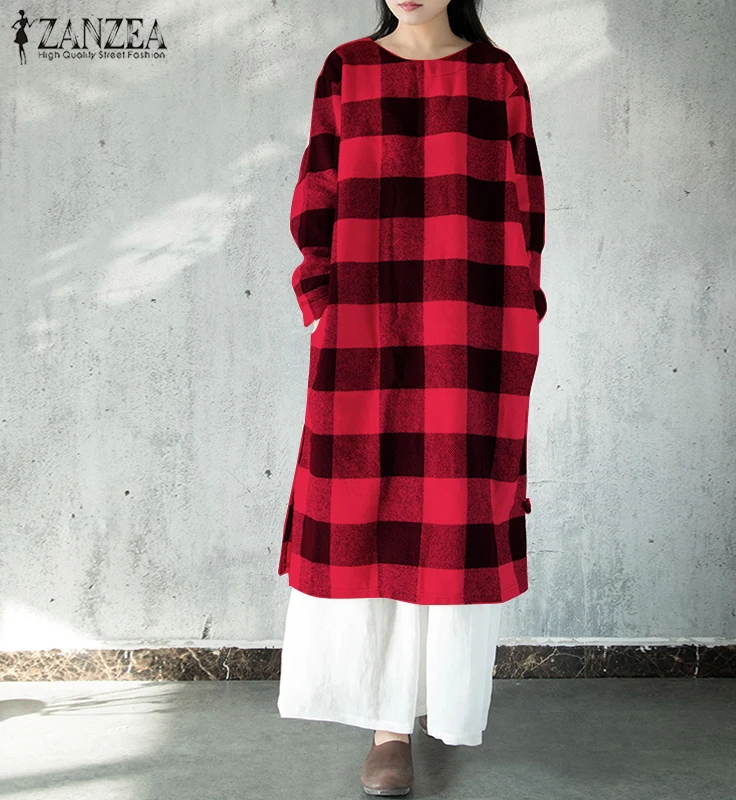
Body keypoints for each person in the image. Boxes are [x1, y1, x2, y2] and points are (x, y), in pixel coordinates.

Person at [277, 0, 547, 794]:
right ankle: (386, 726)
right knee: (364, 504)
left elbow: (525, 211)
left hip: (471, 324)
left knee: (451, 511)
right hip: (364, 318)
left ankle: (433, 708)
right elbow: (318, 186)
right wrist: (319, 299)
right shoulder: (348, 69)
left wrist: (521, 313)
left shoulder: (496, 78)